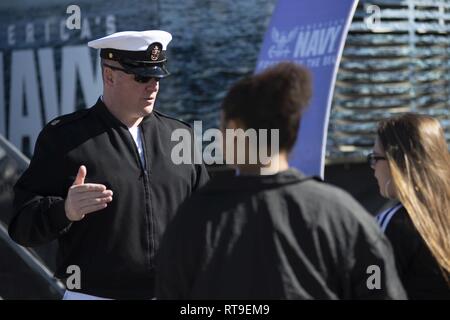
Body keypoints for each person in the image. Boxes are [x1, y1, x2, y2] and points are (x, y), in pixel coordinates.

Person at [155, 62, 406, 299]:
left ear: (234, 129)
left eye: (221, 127)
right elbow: (380, 288)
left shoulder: (193, 219)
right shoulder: (342, 214)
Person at [8, 30, 209, 299]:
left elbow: (207, 219)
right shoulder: (64, 138)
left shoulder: (179, 136)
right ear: (109, 75)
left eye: (158, 77)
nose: (153, 86)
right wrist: (64, 210)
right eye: (142, 77)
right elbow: (22, 226)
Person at [370, 113, 450, 299]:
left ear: (398, 161)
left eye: (375, 157)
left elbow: (371, 291)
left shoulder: (390, 225)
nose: (373, 166)